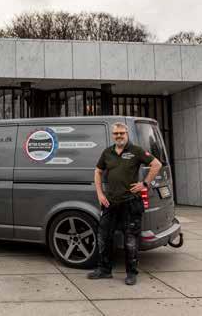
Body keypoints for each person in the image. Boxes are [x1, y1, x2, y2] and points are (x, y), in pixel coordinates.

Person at [87, 122, 162, 285]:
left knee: (131, 240)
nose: (119, 136)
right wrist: (100, 193)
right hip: (110, 203)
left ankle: (131, 273)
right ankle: (104, 270)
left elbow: (156, 164)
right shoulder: (107, 152)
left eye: (122, 133)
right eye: (116, 133)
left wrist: (145, 183)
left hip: (130, 203)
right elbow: (98, 171)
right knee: (104, 237)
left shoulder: (136, 151)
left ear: (126, 134)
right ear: (112, 135)